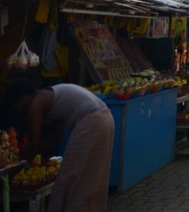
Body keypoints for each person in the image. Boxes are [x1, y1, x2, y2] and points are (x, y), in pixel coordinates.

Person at [3, 80, 115, 212]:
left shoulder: (36, 103)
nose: (20, 110)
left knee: (72, 176)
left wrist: (19, 161)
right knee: (91, 175)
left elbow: (34, 143)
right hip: (106, 119)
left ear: (22, 99)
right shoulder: (52, 98)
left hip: (92, 122)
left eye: (18, 106)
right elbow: (56, 138)